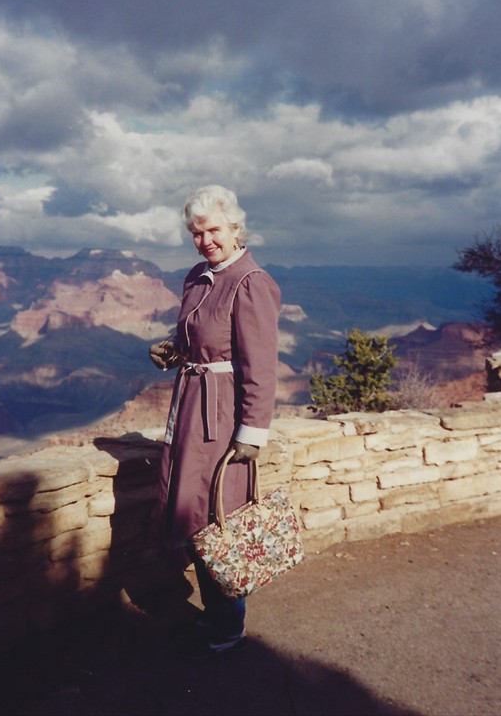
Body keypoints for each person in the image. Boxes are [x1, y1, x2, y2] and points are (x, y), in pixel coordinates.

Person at [148, 184, 282, 658]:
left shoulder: (252, 282)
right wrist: (172, 349)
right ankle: (215, 611)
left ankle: (229, 624)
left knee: (214, 517)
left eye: (214, 230)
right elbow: (198, 337)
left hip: (223, 417)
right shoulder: (197, 276)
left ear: (235, 228)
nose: (206, 241)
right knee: (187, 509)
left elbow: (260, 366)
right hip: (190, 406)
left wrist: (251, 434)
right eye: (197, 233)